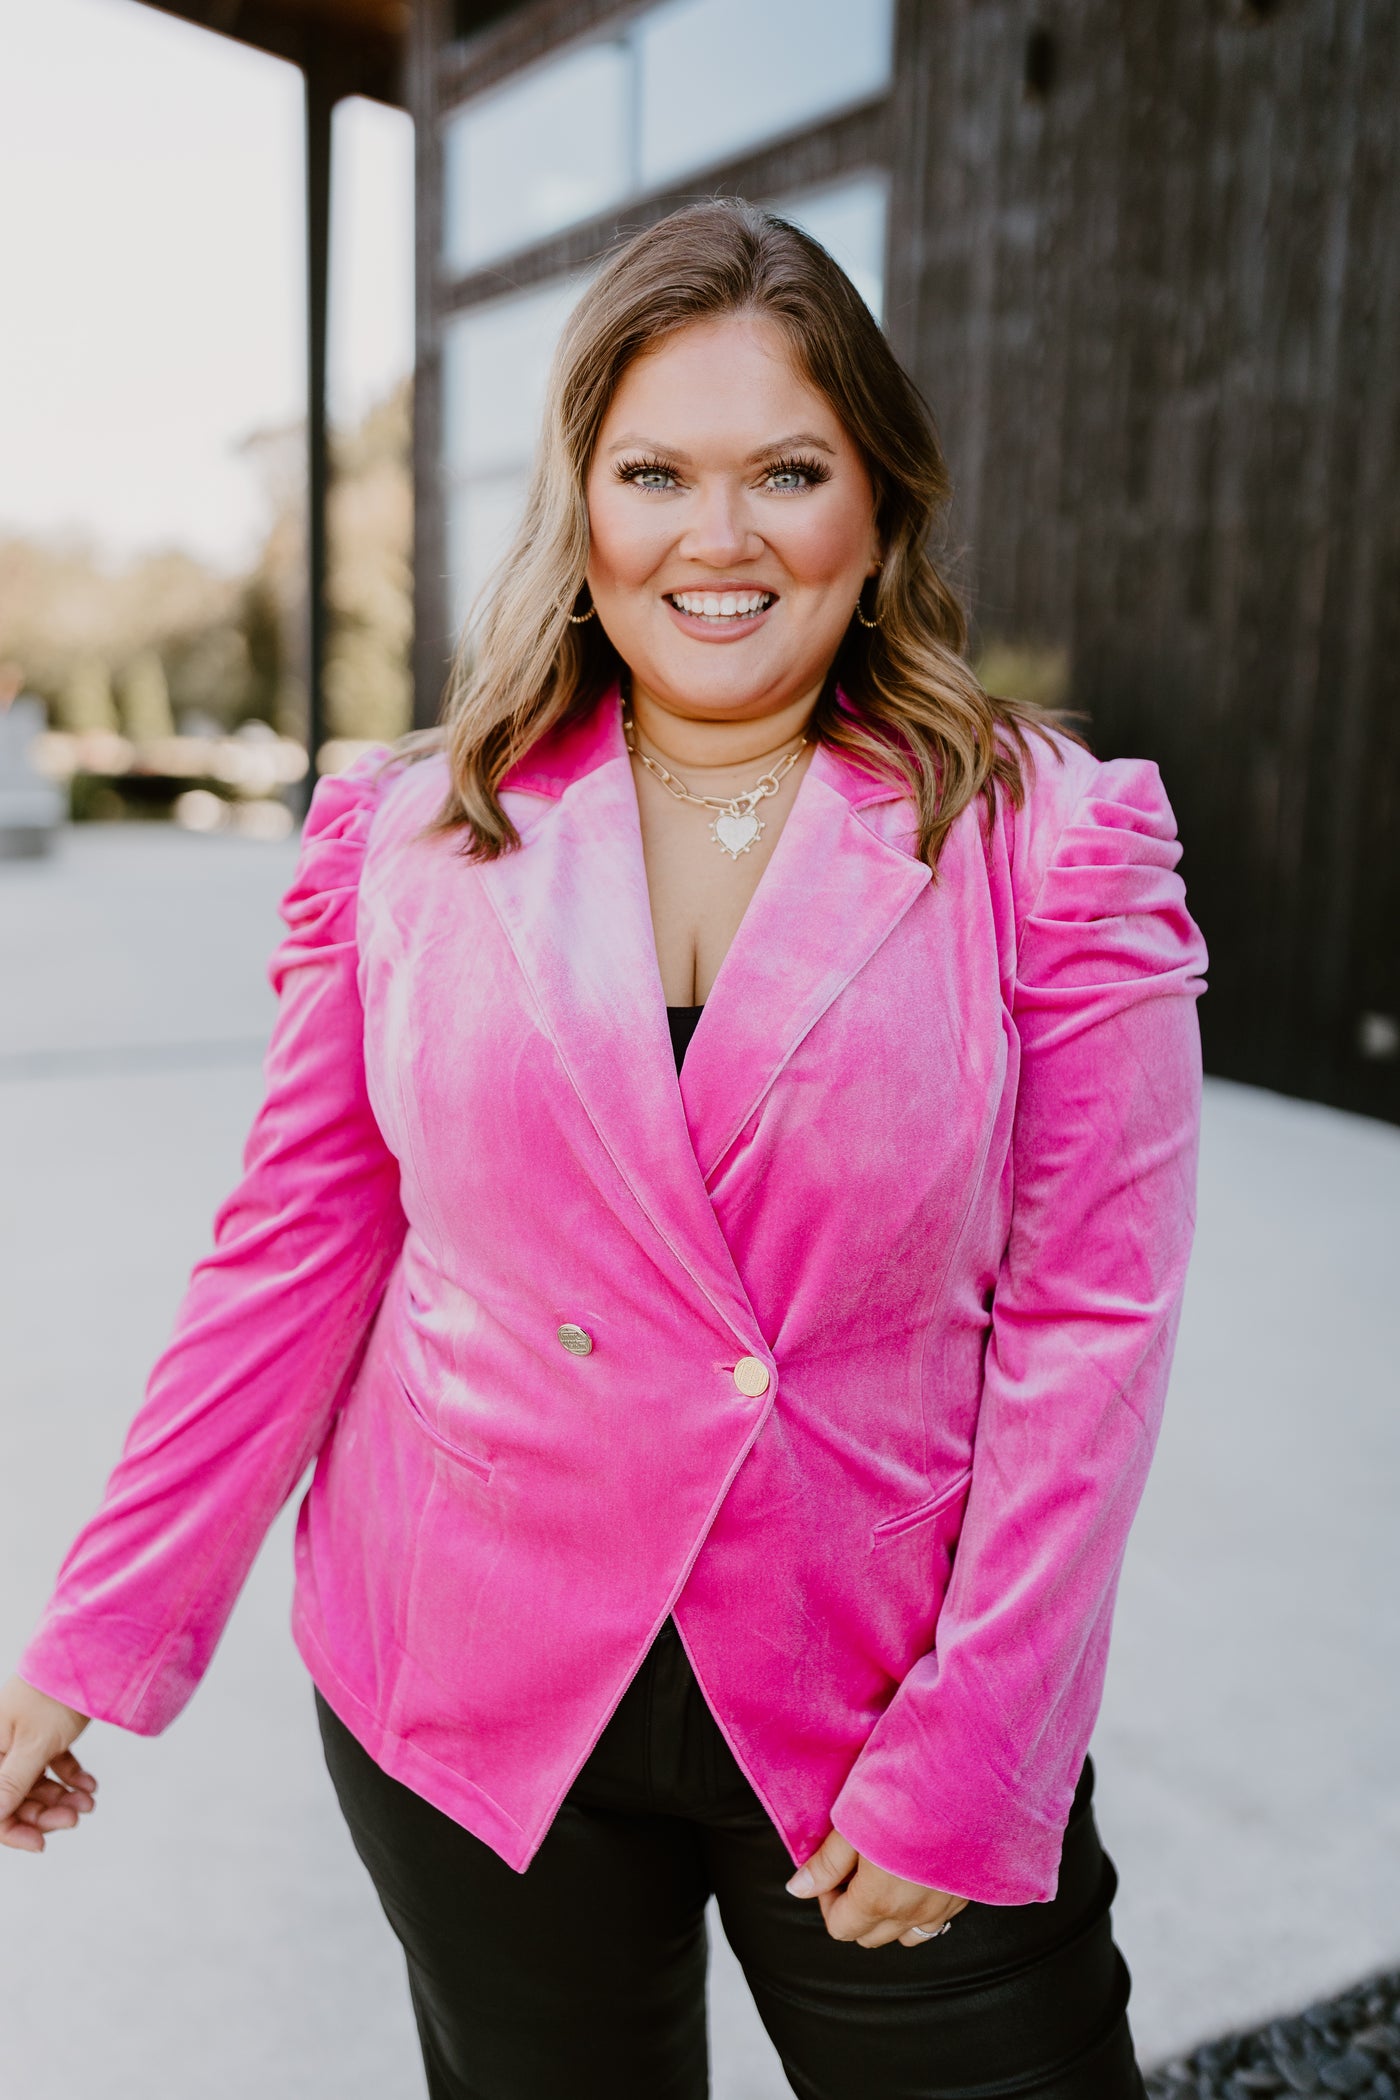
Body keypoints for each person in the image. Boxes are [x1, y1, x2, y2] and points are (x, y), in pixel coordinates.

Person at [0, 201, 1206, 2099]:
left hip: (874, 1689)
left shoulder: (1048, 838)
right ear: (584, 504)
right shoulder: (407, 831)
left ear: (877, 505)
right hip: (466, 1686)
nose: (716, 539)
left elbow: (1093, 1316)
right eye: (656, 472)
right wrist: (89, 1640)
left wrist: (982, 1744)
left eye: (786, 471)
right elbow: (296, 1251)